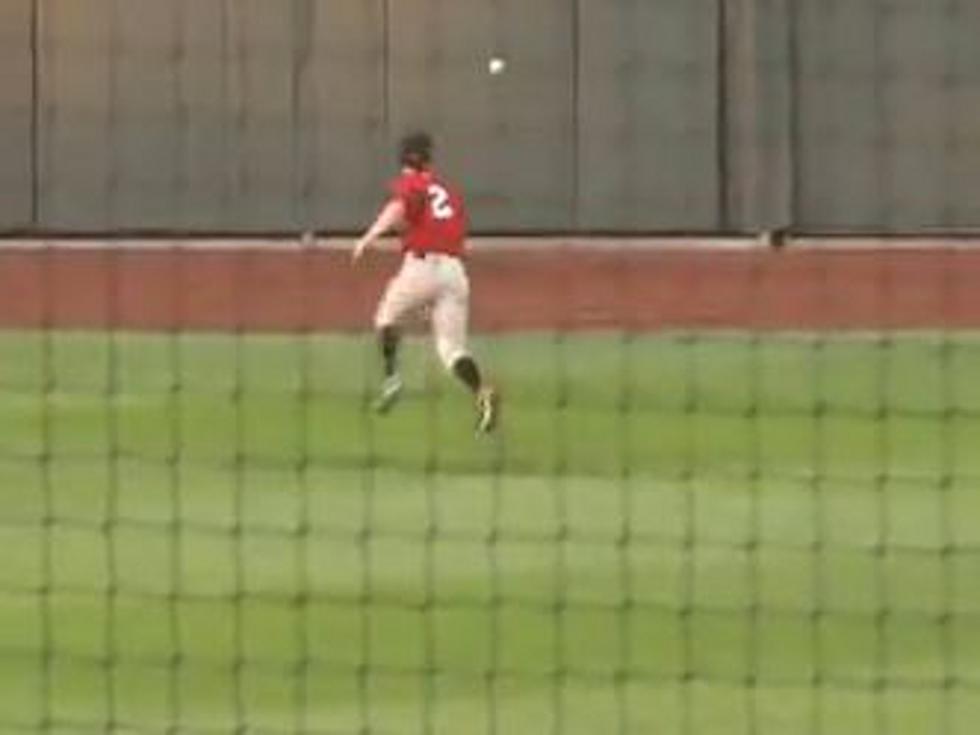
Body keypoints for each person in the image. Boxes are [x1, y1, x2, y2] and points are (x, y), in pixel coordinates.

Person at [352, 132, 500, 433]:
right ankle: (481, 393)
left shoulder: (412, 182)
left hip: (421, 267)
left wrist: (369, 237)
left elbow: (400, 208)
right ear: (430, 158)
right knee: (451, 349)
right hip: (455, 272)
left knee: (385, 319)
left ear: (402, 159)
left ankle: (392, 380)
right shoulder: (448, 191)